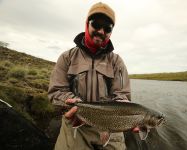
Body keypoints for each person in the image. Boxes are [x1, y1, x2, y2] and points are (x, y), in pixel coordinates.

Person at [48, 2, 132, 150]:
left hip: (110, 125)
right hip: (75, 123)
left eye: (107, 28)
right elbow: (56, 92)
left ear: (111, 32)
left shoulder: (117, 62)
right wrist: (74, 103)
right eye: (97, 24)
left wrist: (124, 109)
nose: (101, 31)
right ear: (87, 24)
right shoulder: (66, 57)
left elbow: (122, 94)